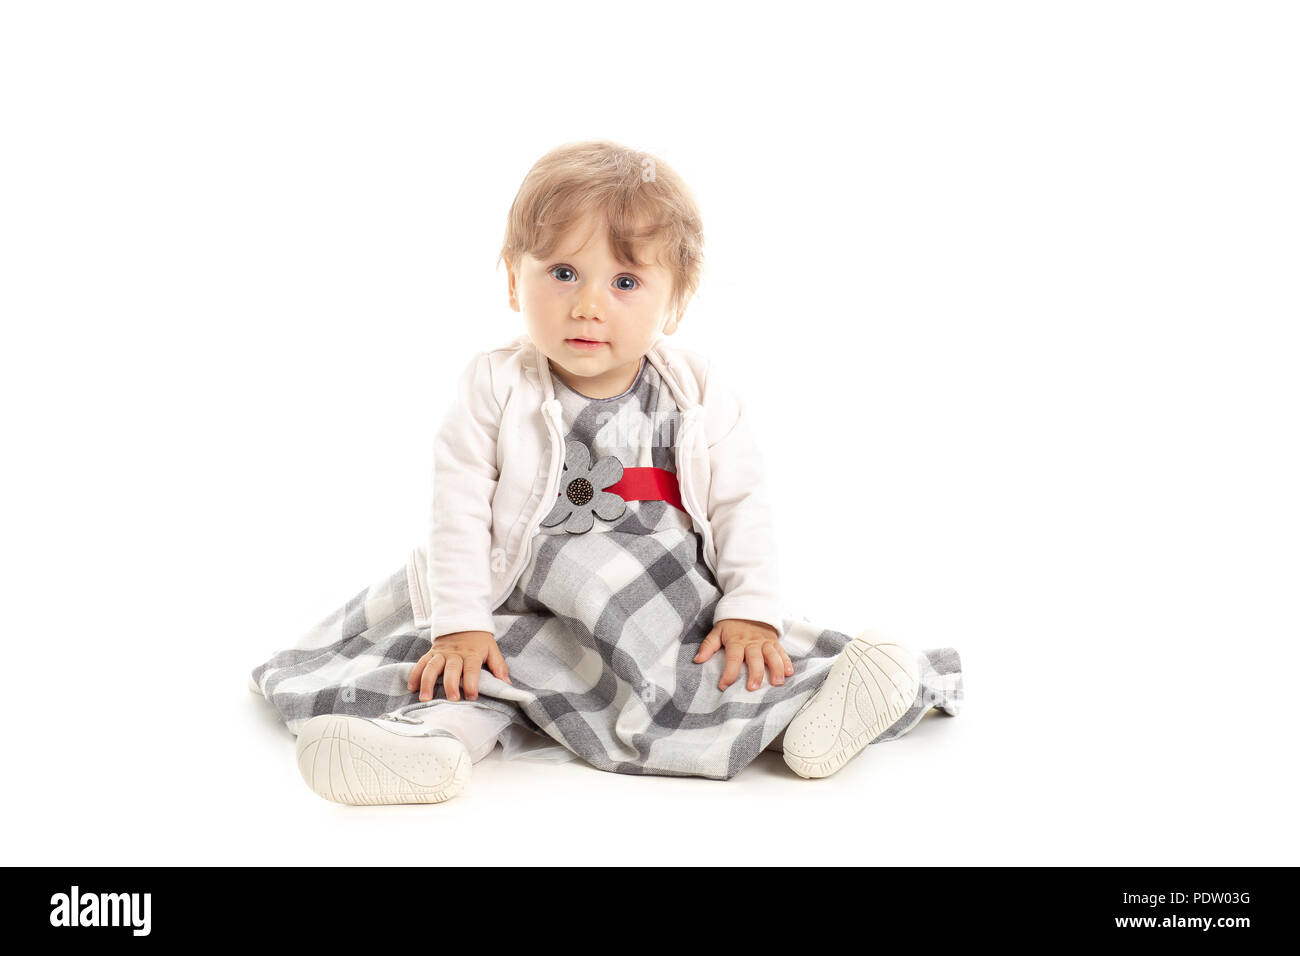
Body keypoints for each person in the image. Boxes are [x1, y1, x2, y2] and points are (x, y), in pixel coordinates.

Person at [249, 140, 963, 804]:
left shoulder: (693, 389)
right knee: (482, 678)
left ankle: (817, 711)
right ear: (512, 279)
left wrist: (749, 610)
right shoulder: (497, 386)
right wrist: (461, 623)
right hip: (523, 603)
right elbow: (459, 509)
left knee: (720, 667)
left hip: (658, 597)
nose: (588, 304)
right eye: (562, 273)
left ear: (675, 301)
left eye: (625, 281)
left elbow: (744, 503)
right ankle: (425, 748)